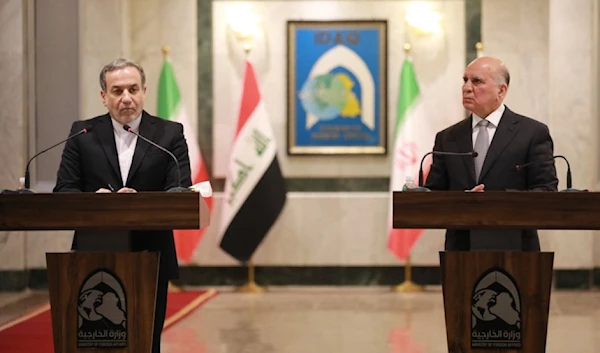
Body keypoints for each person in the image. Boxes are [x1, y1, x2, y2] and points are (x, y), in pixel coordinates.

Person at [53, 58, 192, 353]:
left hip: (151, 253)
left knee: (146, 340)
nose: (126, 98)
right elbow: (64, 191)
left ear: (144, 90)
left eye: (132, 89)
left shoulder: (169, 134)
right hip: (94, 252)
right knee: (94, 341)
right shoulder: (83, 135)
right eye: (117, 91)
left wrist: (138, 202)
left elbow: (179, 191)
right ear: (104, 97)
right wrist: (98, 202)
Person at [424, 56, 558, 251]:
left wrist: (494, 200)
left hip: (516, 246)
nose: (467, 88)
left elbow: (546, 191)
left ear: (501, 90)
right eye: (465, 80)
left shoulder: (532, 133)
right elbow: (435, 193)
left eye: (476, 81)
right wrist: (461, 199)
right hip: (461, 248)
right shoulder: (448, 137)